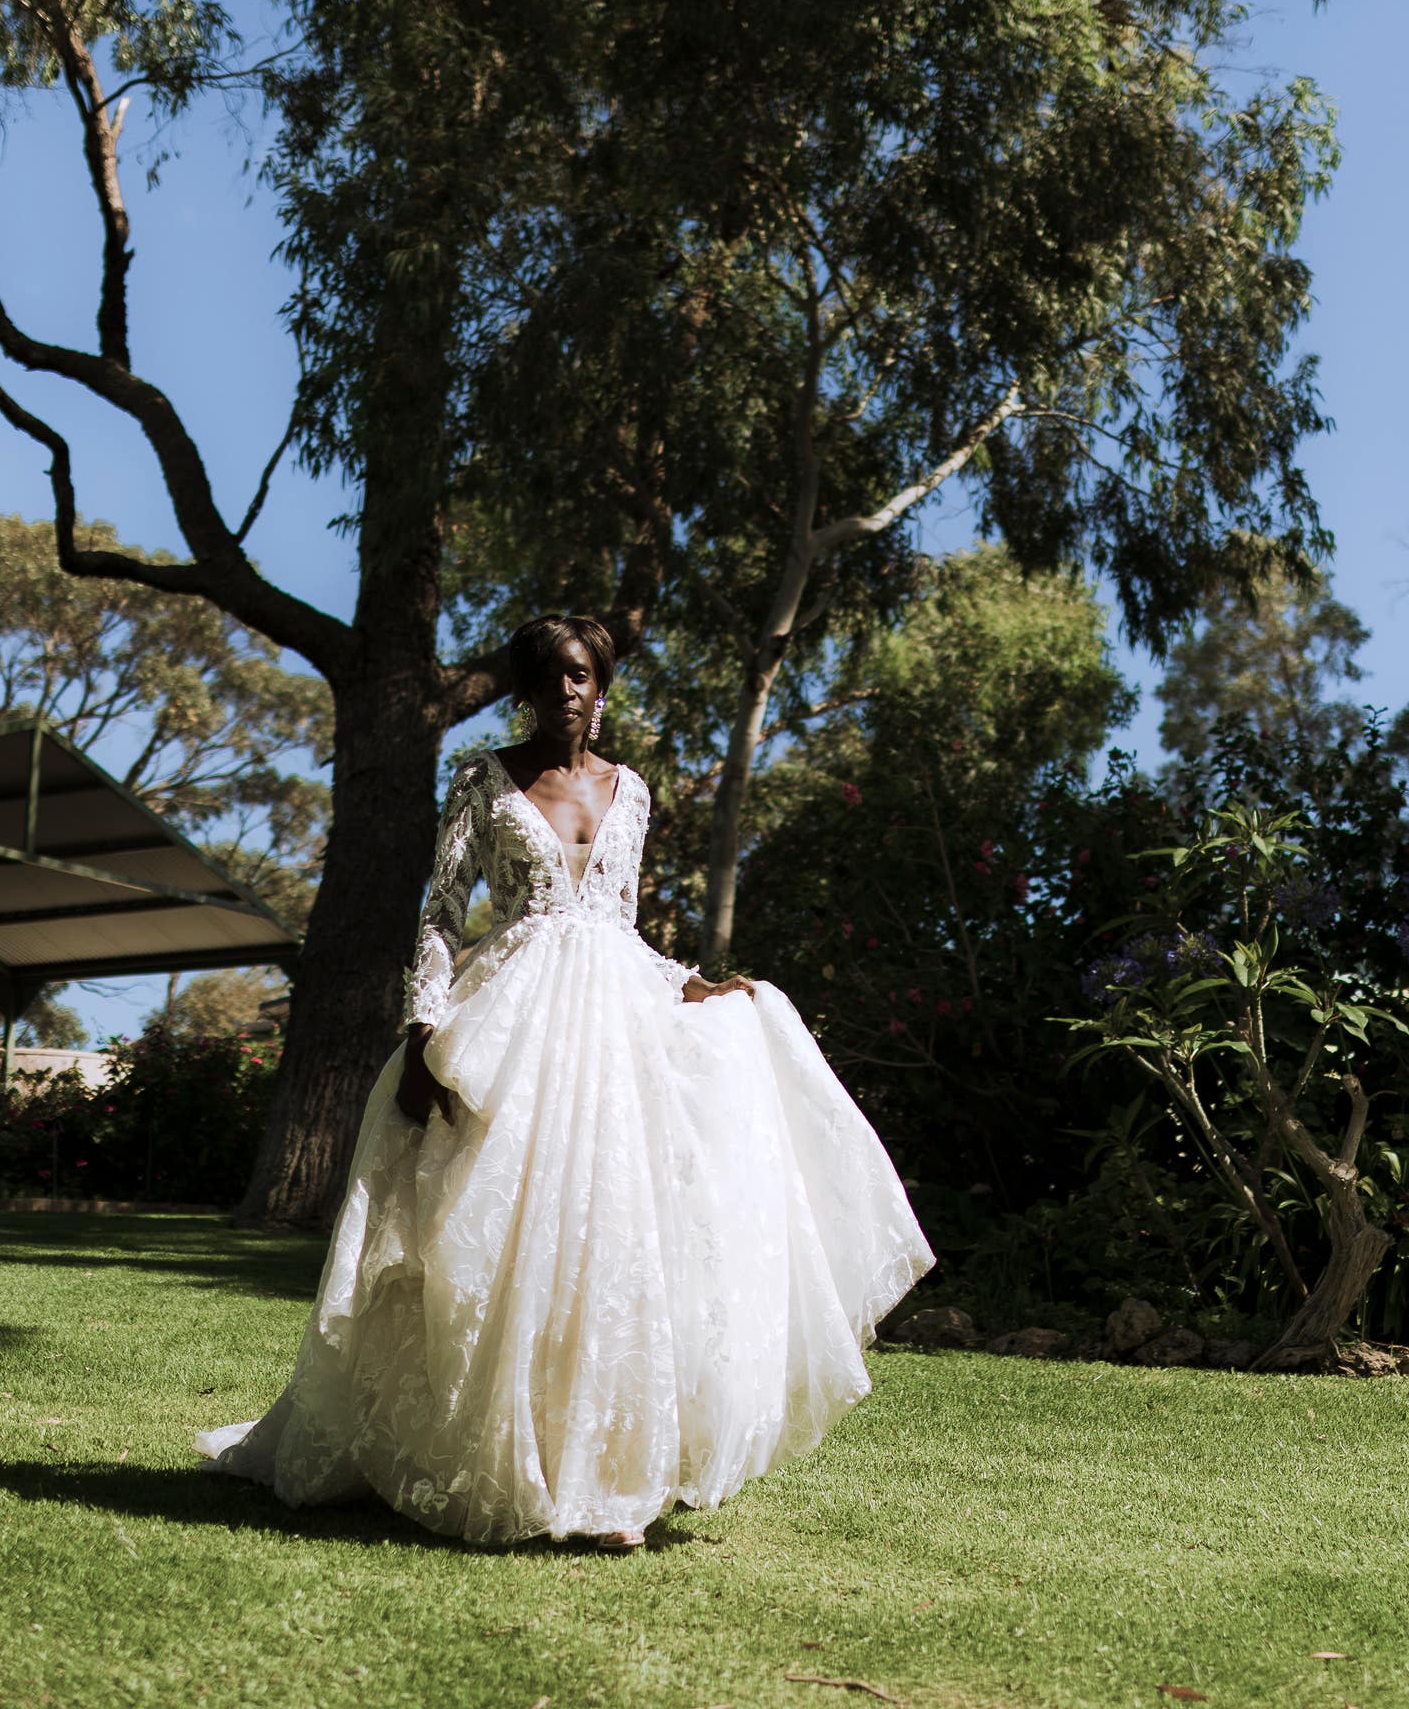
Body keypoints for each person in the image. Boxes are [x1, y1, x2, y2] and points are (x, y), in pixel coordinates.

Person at [197, 613, 933, 1547]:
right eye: (547, 679)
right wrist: (425, 1031)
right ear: (525, 692)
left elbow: (616, 928)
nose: (565, 693)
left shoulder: (633, 792)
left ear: (602, 684)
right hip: (509, 1024)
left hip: (614, 1037)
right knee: (491, 1239)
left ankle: (600, 1475)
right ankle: (481, 1454)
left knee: (610, 1247)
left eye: (580, 675)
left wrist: (692, 983)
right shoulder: (483, 781)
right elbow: (439, 917)